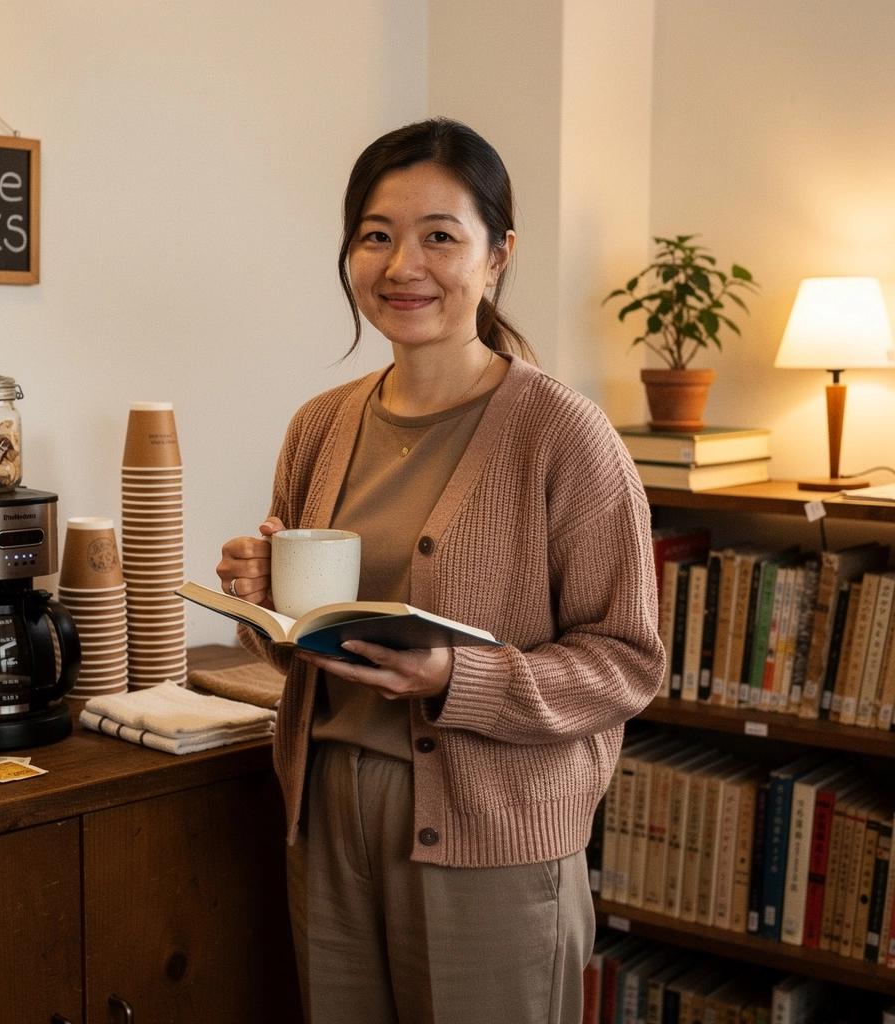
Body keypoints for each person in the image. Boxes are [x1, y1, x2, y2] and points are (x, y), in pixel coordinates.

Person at [216, 117, 664, 1024]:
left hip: (491, 834)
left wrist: (460, 678)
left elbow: (628, 663)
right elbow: (302, 652)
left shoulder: (563, 435)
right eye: (375, 235)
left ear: (497, 256)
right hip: (327, 812)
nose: (400, 265)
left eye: (440, 236)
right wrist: (262, 604)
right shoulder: (319, 425)